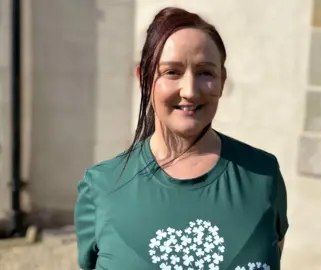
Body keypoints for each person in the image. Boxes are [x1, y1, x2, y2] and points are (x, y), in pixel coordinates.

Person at [74, 7, 289, 270]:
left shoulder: (262, 176)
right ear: (143, 79)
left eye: (205, 73)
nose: (189, 91)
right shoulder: (102, 187)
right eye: (172, 72)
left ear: (222, 80)